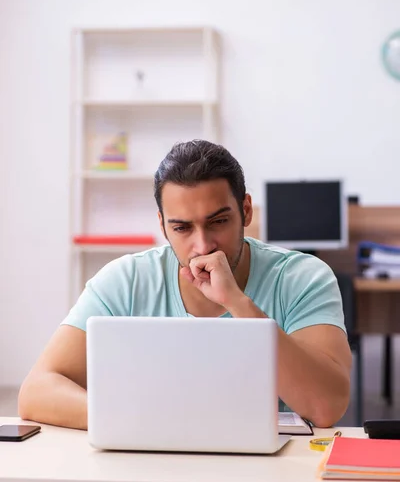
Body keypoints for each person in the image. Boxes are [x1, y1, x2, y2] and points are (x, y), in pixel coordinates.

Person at [18, 140, 351, 430]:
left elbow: (325, 407)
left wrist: (238, 303)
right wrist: (136, 418)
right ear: (163, 225)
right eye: (182, 228)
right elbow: (37, 391)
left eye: (218, 222)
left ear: (246, 210)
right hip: (152, 470)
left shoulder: (303, 278)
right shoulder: (126, 280)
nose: (203, 246)